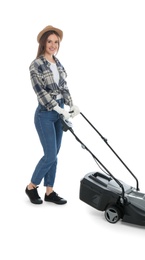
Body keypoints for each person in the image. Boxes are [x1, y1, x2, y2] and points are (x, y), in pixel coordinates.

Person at [25, 25, 80, 205]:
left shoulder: (58, 64)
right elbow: (40, 92)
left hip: (60, 111)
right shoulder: (36, 65)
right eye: (50, 41)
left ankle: (49, 191)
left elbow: (63, 87)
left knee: (55, 153)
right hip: (45, 114)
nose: (53, 45)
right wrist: (57, 108)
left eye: (56, 42)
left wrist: (71, 105)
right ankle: (31, 186)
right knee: (50, 155)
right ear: (43, 43)